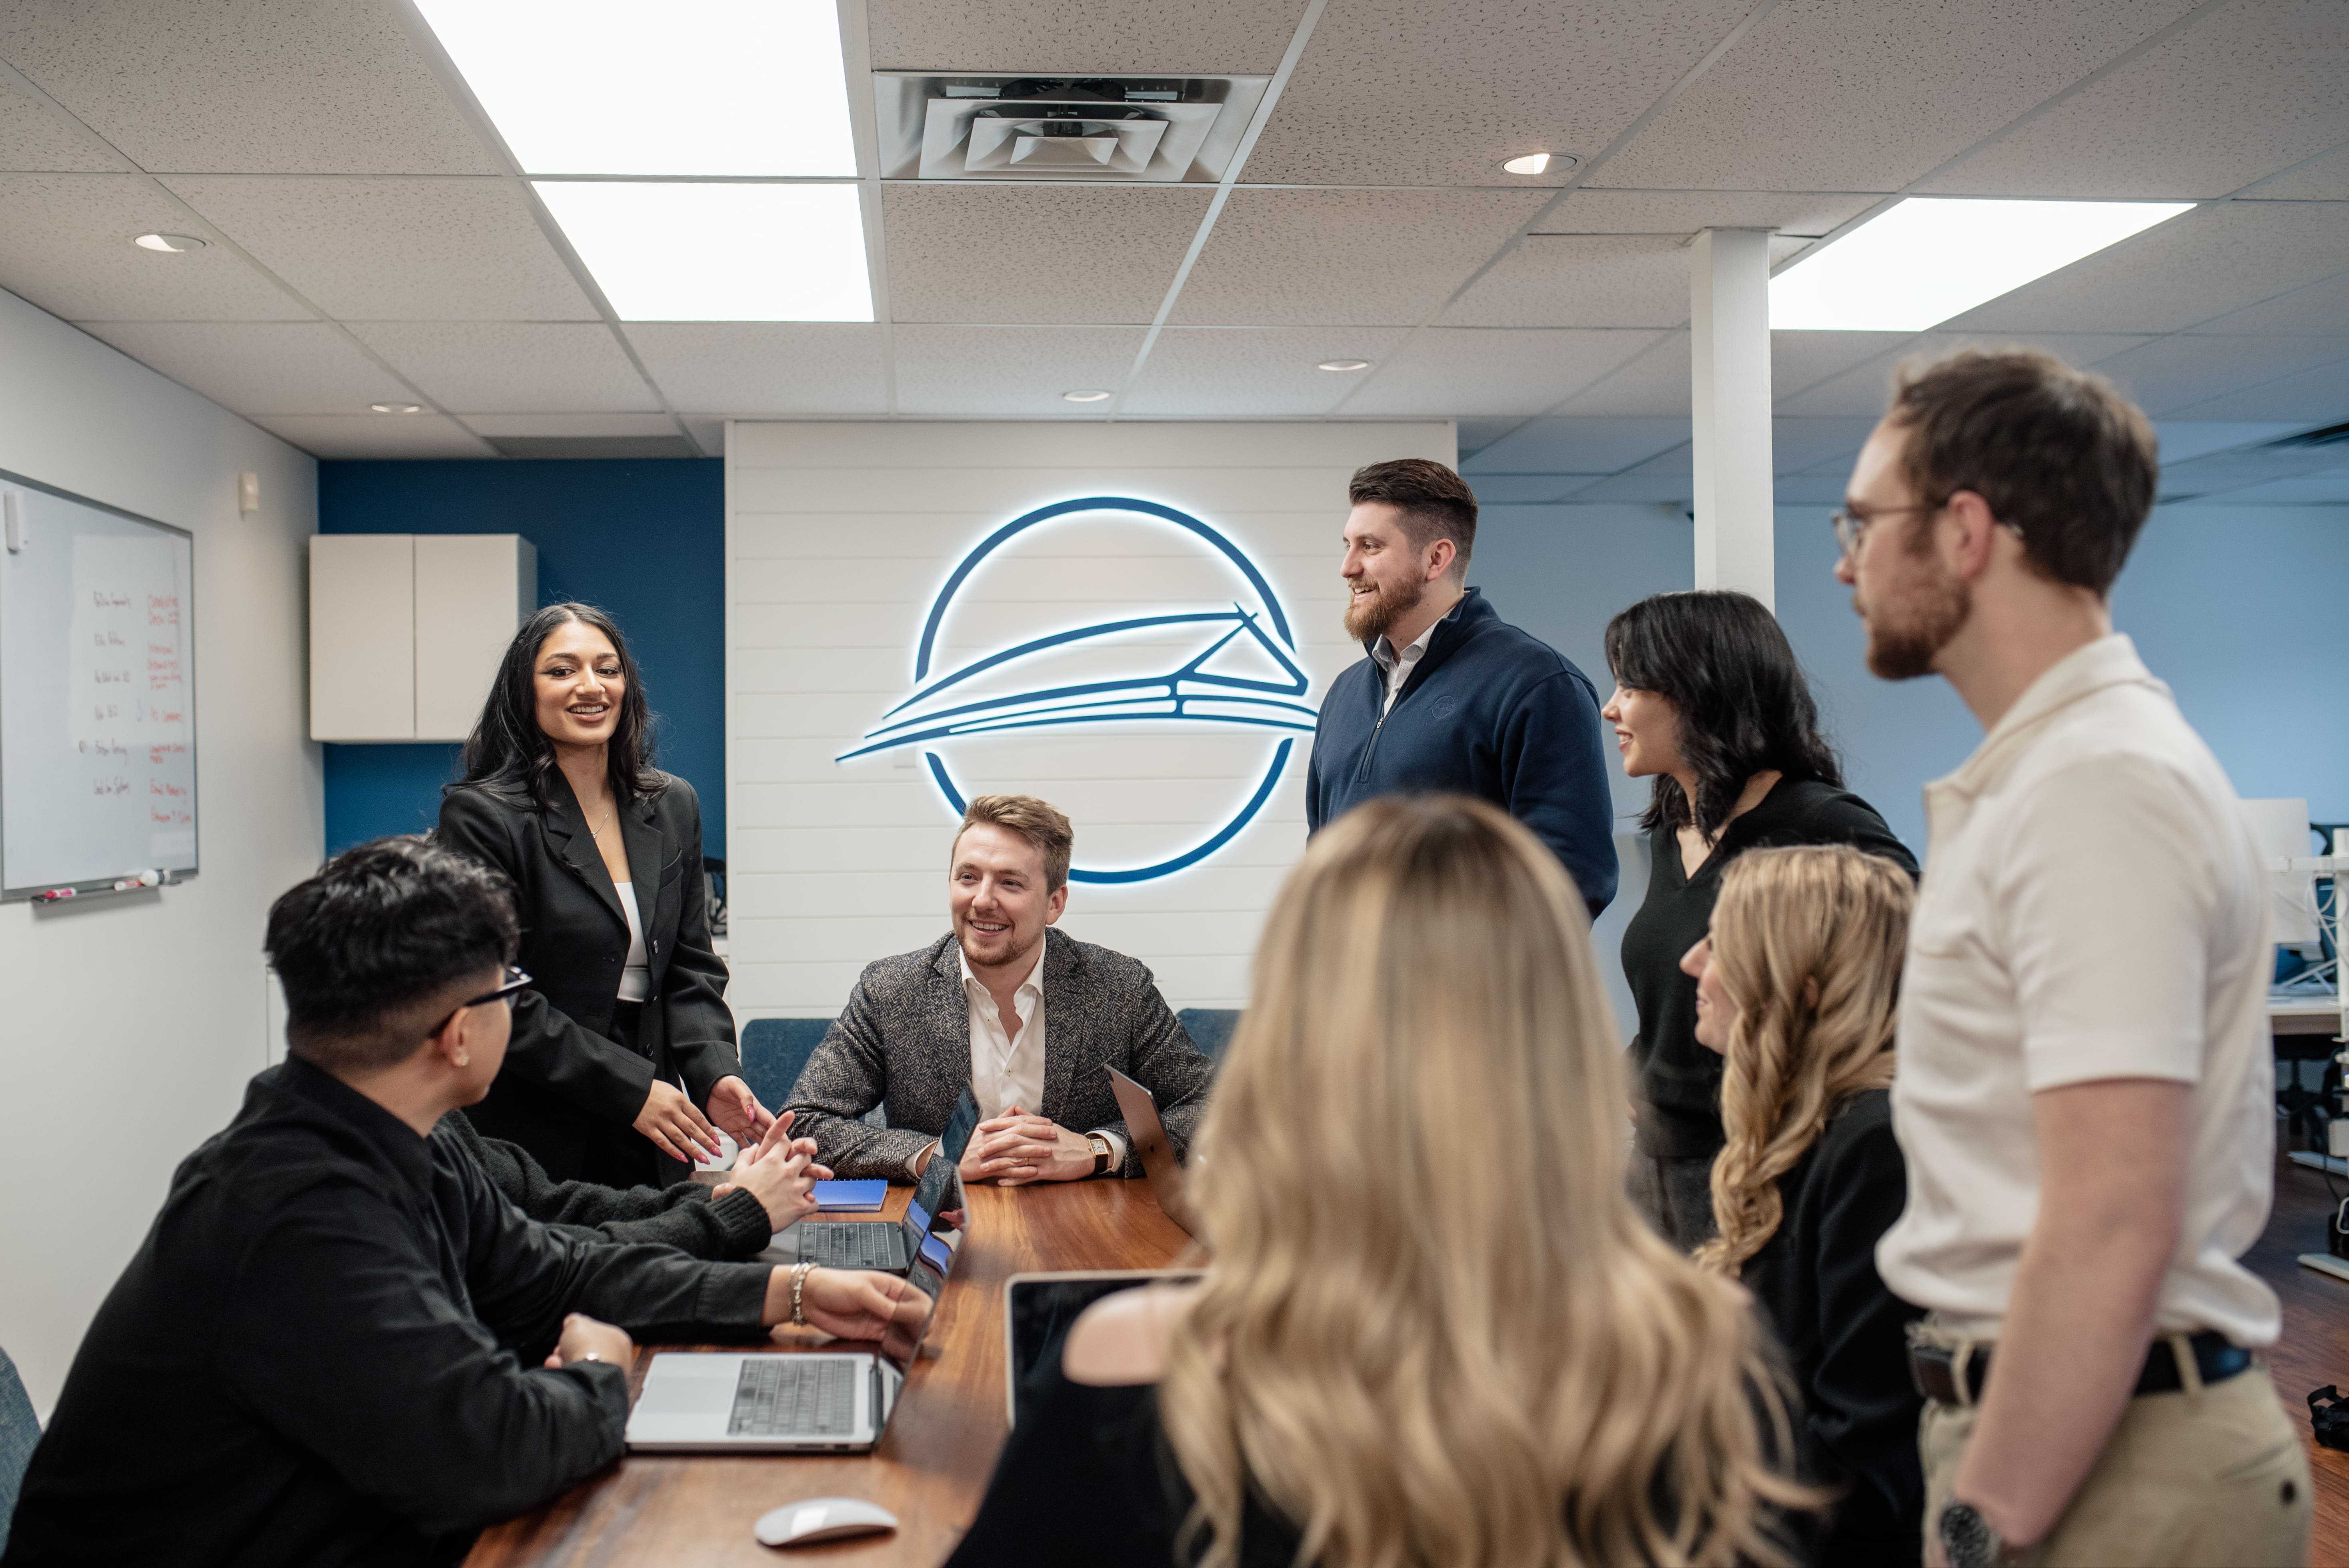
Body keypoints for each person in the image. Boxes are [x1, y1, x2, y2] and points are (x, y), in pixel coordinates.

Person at [0, 837, 927, 1568]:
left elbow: (558, 1270)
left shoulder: (397, 1137)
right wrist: (600, 1372)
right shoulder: (298, 1213)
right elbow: (493, 1450)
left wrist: (791, 1295)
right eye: (510, 992)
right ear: (456, 1036)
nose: (515, 1015)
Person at [948, 795, 1813, 1568]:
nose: (984, 899)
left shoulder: (1135, 1362)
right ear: (1562, 1024)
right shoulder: (1707, 1357)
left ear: (1295, 1030)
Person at [1836, 349, 2309, 1567]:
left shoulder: (2098, 782)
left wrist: (1978, 1525)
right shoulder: (2058, 769)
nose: (1846, 561)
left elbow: (2109, 1214)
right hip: (2065, 1436)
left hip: (2105, 1466)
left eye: (1862, 521)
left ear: (1965, 531)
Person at [1602, 589, 1914, 1249]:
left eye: (1629, 686)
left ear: (1694, 692)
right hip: (1652, 1162)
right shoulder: (1670, 829)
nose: (1610, 709)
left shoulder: (1820, 822)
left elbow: (1903, 982)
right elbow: (1672, 994)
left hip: (1754, 1168)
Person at [438, 601, 766, 1190]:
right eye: (561, 671)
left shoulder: (672, 805)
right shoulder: (483, 816)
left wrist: (715, 1071)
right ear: (524, 691)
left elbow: (690, 966)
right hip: (534, 1117)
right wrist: (631, 1088)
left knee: (659, 1268)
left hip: (653, 1113)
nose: (590, 687)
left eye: (607, 669)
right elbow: (494, 994)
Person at [1683, 845, 1924, 1567]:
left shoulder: (1877, 1150)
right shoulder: (1812, 1134)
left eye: (1720, 944)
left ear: (1804, 985)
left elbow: (1864, 1459)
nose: (1692, 963)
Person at [786, 793, 1216, 1186]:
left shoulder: (1118, 987)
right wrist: (936, 1158)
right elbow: (803, 1123)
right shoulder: (890, 991)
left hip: (1091, 1231)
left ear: (1054, 904)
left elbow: (1212, 1107)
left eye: (1010, 883)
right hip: (942, 1234)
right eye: (968, 877)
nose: (982, 901)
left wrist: (1097, 1150)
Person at [1304, 458, 1618, 916]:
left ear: (1436, 558)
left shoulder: (1536, 684)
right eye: (1348, 545)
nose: (1347, 568)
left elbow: (1570, 879)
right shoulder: (1345, 694)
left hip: (1463, 986)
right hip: (1343, 983)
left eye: (1369, 547)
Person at [436, 1104, 826, 1258]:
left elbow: (560, 1208)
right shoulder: (420, 1158)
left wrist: (723, 1200)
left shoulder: (445, 1133)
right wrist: (737, 1212)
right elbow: (556, 1262)